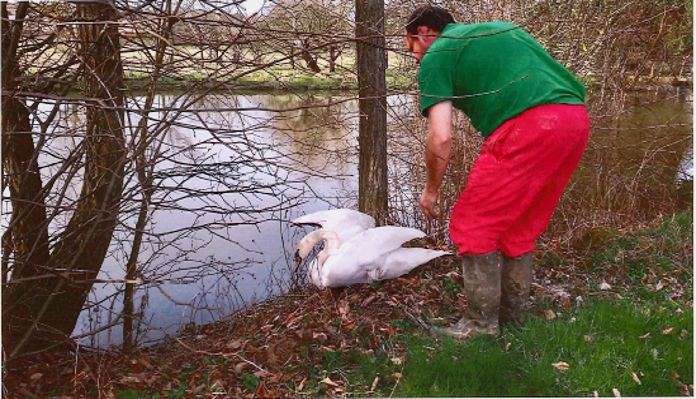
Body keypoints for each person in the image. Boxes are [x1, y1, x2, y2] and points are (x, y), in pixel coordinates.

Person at [404, 5, 590, 339]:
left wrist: (431, 190)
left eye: (410, 46)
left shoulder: (437, 53)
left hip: (529, 127)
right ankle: (513, 319)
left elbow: (441, 136)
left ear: (425, 33)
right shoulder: (500, 29)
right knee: (518, 226)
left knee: (472, 223)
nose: (413, 56)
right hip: (574, 121)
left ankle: (479, 326)